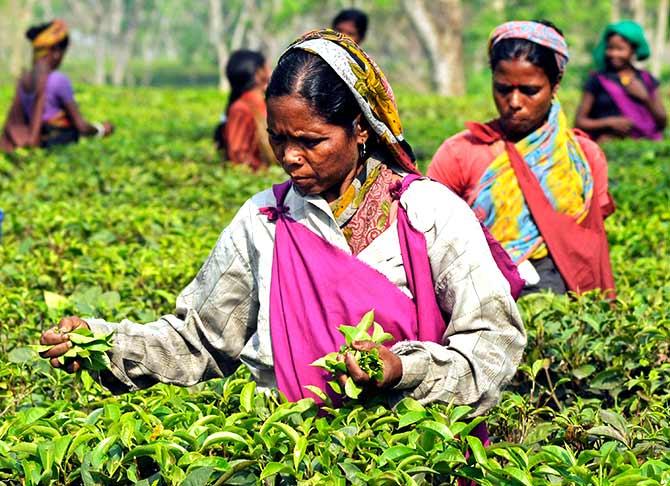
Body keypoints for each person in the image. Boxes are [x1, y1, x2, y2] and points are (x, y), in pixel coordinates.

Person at [39, 30, 525, 427]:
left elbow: (492, 343)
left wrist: (403, 368)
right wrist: (104, 343)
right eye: (278, 138)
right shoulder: (263, 220)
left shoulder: (427, 213)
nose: (291, 156)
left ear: (360, 128)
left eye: (312, 141)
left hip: (408, 454)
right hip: (289, 454)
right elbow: (201, 341)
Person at [428, 21, 616, 297]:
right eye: (504, 88)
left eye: (529, 90)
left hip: (566, 300)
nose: (515, 102)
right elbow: (433, 240)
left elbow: (590, 246)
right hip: (481, 293)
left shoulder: (584, 157)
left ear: (555, 85)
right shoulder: (461, 152)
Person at [0, 20, 113, 152]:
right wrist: (101, 129)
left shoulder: (25, 79)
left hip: (31, 149)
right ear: (56, 51)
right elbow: (81, 126)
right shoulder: (58, 80)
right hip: (54, 150)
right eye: (63, 53)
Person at [575, 20, 666, 142]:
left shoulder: (646, 79)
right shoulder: (597, 80)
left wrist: (645, 98)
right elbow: (579, 122)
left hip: (643, 146)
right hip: (606, 146)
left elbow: (662, 122)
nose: (613, 54)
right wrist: (609, 123)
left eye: (620, 49)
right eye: (610, 48)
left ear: (633, 50)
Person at [214, 50, 276, 170]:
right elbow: (238, 156)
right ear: (259, 73)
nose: (270, 70)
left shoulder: (268, 102)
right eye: (266, 67)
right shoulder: (241, 108)